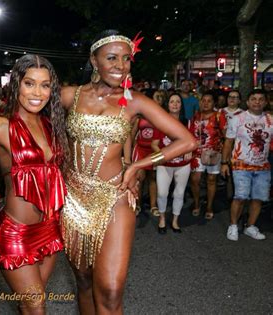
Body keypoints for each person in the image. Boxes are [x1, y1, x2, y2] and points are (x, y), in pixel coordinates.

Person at [60, 30, 197, 314]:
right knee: (83, 281)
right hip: (73, 200)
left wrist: (138, 165)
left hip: (115, 196)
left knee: (110, 291)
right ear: (94, 61)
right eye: (111, 58)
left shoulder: (135, 101)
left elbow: (188, 141)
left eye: (126, 59)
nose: (120, 66)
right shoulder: (70, 96)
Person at [0, 54, 67, 313]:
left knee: (30, 304)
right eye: (29, 83)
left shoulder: (50, 124)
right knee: (36, 306)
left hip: (50, 228)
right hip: (17, 233)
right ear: (15, 85)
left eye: (45, 85)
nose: (38, 92)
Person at [222, 89, 272, 241]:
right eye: (254, 99)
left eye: (260, 99)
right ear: (248, 102)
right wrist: (224, 162)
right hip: (241, 165)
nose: (257, 102)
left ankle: (250, 226)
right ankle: (233, 226)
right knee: (240, 197)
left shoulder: (270, 120)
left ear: (265, 102)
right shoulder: (238, 118)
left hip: (262, 166)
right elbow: (228, 142)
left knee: (258, 198)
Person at [151, 93, 192, 234]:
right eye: (172, 101)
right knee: (162, 193)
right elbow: (154, 144)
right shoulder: (160, 122)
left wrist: (191, 149)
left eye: (178, 102)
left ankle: (175, 221)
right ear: (167, 105)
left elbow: (193, 142)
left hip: (183, 164)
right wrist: (164, 155)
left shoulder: (187, 123)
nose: (175, 104)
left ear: (181, 105)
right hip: (165, 164)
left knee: (179, 193)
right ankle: (162, 218)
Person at [188, 91, 227, 219]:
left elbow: (226, 136)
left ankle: (209, 206)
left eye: (209, 101)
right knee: (195, 180)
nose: (205, 103)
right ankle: (197, 203)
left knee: (211, 180)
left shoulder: (219, 116)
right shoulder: (195, 116)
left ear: (214, 103)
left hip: (213, 154)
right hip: (197, 153)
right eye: (203, 100)